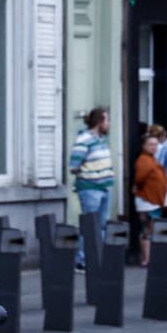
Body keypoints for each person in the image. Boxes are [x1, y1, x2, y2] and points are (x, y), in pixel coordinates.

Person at [67, 107, 116, 271]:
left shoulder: (101, 140)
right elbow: (73, 166)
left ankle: (96, 258)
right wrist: (90, 174)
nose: (109, 124)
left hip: (105, 187)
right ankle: (82, 260)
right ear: (100, 122)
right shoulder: (84, 140)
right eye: (107, 120)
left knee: (101, 225)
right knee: (90, 225)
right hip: (90, 188)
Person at [132, 133, 167, 266]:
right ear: (143, 146)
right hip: (147, 201)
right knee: (147, 228)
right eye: (150, 144)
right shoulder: (143, 160)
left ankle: (149, 258)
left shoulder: (153, 159)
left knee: (150, 228)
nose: (154, 147)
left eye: (155, 144)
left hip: (153, 200)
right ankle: (146, 259)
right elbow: (139, 178)